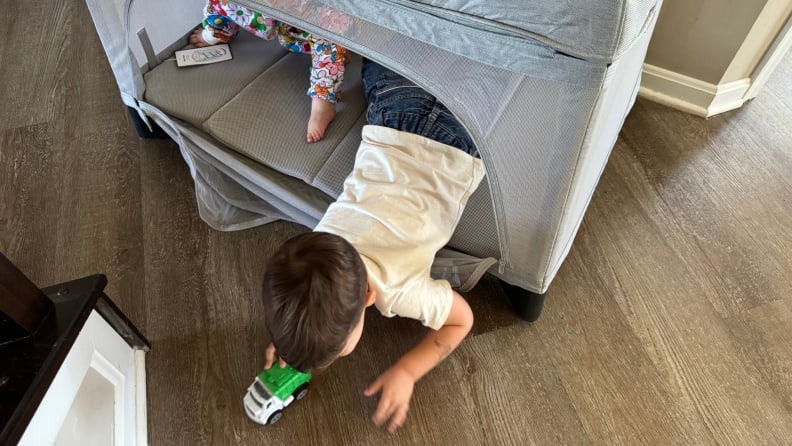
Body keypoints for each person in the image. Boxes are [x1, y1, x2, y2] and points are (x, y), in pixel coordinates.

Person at [261, 58, 484, 433]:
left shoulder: (400, 292)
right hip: (394, 108)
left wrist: (407, 371)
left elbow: (462, 321)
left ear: (368, 299)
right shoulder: (323, 238)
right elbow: (307, 279)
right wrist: (289, 343)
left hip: (459, 137)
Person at [190, 0, 347, 143]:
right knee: (224, 6)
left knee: (328, 35)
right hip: (260, 14)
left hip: (305, 14)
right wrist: (210, 35)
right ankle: (219, 32)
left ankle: (322, 102)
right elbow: (218, 9)